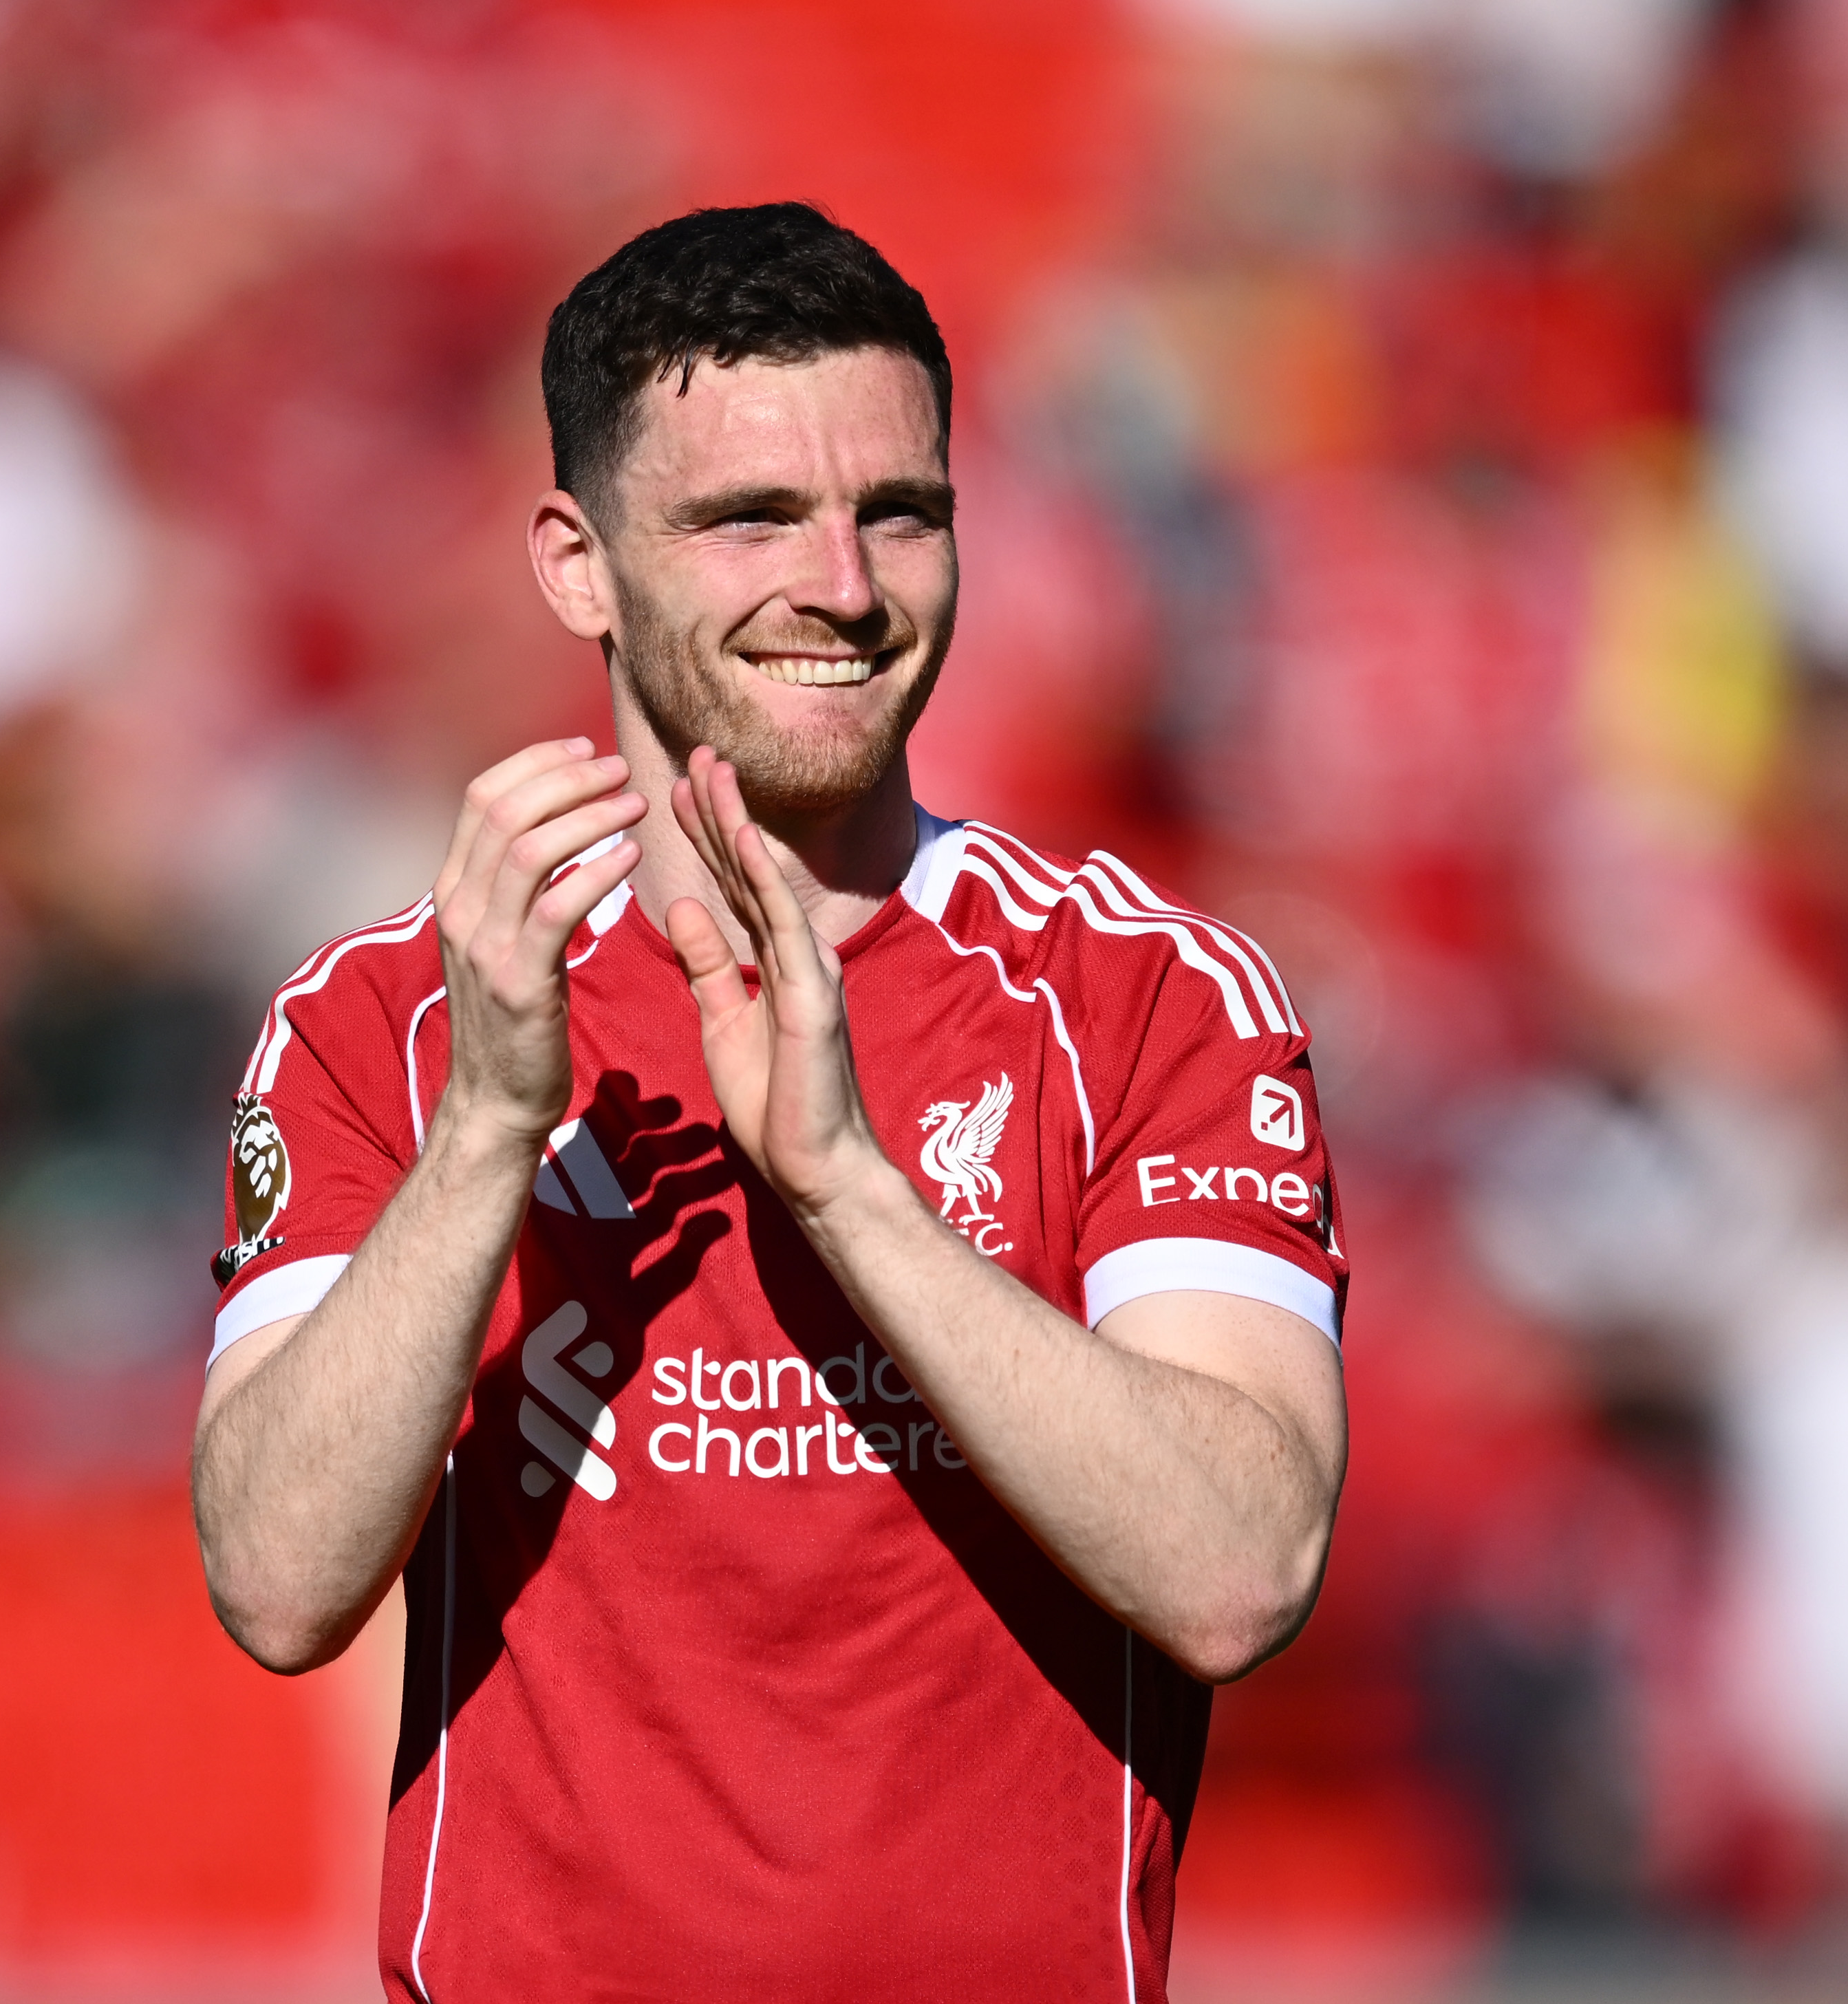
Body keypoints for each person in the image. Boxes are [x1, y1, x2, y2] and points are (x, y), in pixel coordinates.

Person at [191, 203, 1348, 2003]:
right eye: (746, 519)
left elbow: (1238, 1567)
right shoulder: (388, 1020)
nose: (844, 584)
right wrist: (490, 1133)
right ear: (576, 564)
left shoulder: (1145, 996)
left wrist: (847, 1188)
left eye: (899, 512)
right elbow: (273, 1578)